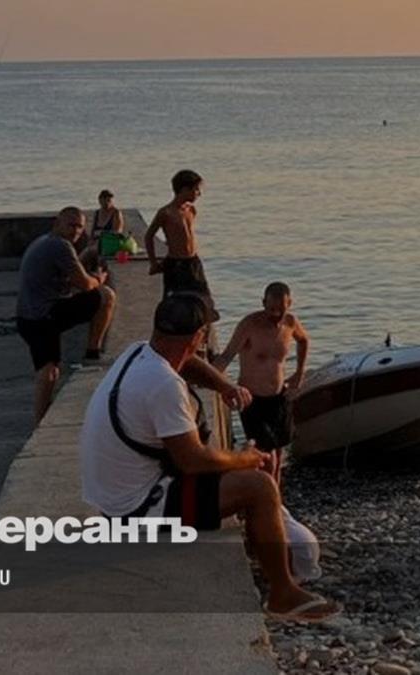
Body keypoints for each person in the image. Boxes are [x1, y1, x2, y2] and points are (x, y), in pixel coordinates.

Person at [79, 294, 340, 622]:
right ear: (198, 337)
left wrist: (225, 387)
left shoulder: (140, 353)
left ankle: (264, 550)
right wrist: (245, 458)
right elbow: (193, 461)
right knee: (259, 487)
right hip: (137, 511)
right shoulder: (163, 385)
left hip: (113, 498)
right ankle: (282, 594)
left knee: (229, 471)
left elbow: (186, 362)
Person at [17, 206, 117, 425]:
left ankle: (41, 418)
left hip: (27, 316)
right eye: (71, 225)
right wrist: (99, 278)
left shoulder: (44, 241)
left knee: (49, 368)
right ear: (57, 224)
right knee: (106, 296)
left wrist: (87, 257)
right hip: (43, 316)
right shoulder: (60, 246)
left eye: (80, 227)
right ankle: (92, 352)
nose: (76, 231)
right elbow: (85, 284)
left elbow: (70, 275)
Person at [213, 282, 309, 484]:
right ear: (263, 303)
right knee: (267, 458)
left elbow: (303, 341)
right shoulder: (250, 325)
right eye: (271, 309)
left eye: (280, 309)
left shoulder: (290, 323)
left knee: (278, 454)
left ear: (289, 304)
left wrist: (299, 373)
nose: (275, 314)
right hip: (252, 399)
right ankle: (263, 493)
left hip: (279, 397)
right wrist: (212, 380)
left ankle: (274, 496)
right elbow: (227, 355)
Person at [145, 169, 218, 320]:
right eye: (196, 190)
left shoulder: (191, 210)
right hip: (175, 262)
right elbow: (149, 236)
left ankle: (203, 329)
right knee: (173, 301)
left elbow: (186, 236)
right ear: (184, 189)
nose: (199, 194)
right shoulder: (166, 213)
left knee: (205, 300)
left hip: (193, 261)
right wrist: (153, 262)